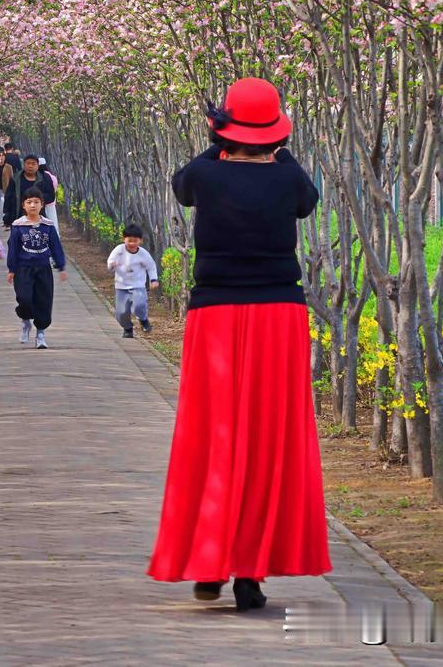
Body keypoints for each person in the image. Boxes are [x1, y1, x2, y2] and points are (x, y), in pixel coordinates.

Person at [146, 77, 328, 612]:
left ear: (224, 126)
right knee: (271, 437)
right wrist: (277, 148)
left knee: (213, 434)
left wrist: (217, 137)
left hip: (216, 314)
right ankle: (250, 571)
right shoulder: (287, 178)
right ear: (274, 131)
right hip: (279, 313)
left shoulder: (204, 172)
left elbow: (182, 185)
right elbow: (307, 200)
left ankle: (208, 561)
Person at [7, 188, 67, 349]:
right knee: (24, 298)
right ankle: (26, 321)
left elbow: (56, 246)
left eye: (36, 202)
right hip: (23, 268)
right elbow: (13, 248)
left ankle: (40, 333)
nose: (32, 205)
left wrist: (61, 266)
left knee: (44, 301)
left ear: (42, 205)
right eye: (29, 202)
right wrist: (11, 269)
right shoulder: (18, 226)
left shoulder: (47, 225)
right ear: (24, 205)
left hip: (43, 268)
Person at [107, 224, 160, 338]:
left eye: (135, 241)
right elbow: (110, 262)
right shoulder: (119, 250)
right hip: (121, 286)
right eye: (129, 241)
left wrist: (153, 279)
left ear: (140, 241)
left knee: (139, 305)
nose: (132, 244)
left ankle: (143, 319)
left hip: (138, 285)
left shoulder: (143, 254)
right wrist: (112, 265)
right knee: (121, 313)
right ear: (123, 239)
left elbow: (151, 267)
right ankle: (127, 328)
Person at [9, 155, 55, 223]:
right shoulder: (16, 178)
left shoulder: (46, 178)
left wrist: (37, 199)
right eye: (28, 163)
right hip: (19, 215)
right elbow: (9, 197)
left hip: (39, 216)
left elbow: (51, 196)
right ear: (24, 165)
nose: (30, 166)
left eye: (33, 164)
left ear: (38, 165)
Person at [38, 157, 61, 231]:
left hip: (41, 203)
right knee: (52, 220)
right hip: (51, 202)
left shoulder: (40, 177)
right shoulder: (52, 176)